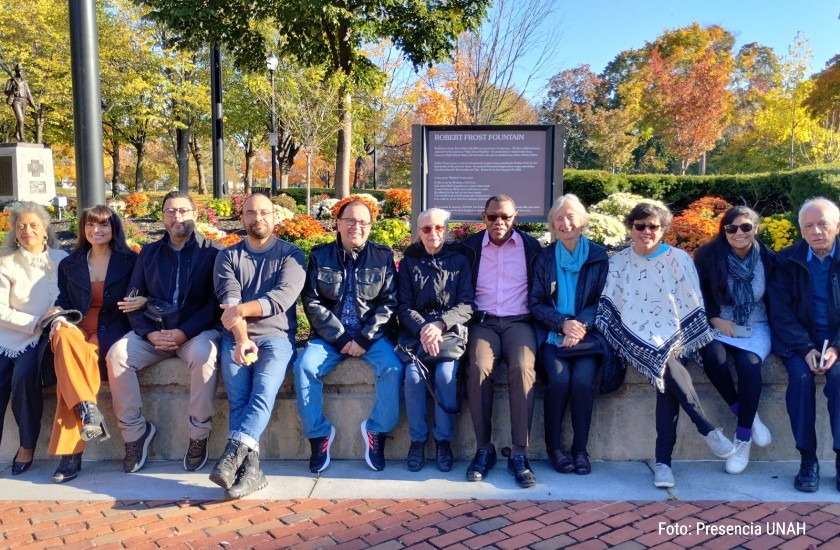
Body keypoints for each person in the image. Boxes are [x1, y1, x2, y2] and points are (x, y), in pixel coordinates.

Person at [596, 201, 735, 489]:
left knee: (668, 376)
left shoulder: (679, 259)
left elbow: (691, 301)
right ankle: (705, 428)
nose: (646, 231)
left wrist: (673, 336)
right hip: (635, 337)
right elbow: (611, 306)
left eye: (653, 226)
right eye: (640, 226)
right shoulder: (617, 263)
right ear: (631, 228)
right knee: (668, 371)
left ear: (663, 229)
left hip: (678, 334)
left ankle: (663, 464)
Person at [106, 191, 222, 474]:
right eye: (170, 211)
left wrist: (184, 331)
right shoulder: (149, 253)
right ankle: (135, 435)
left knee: (205, 356)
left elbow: (215, 305)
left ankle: (198, 436)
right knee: (117, 354)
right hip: (154, 334)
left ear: (195, 214)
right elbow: (133, 299)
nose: (177, 217)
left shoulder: (214, 252)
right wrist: (147, 334)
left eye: (183, 211)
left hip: (196, 333)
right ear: (162, 216)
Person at [295, 200, 402, 473]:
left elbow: (389, 303)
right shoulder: (321, 255)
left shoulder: (382, 256)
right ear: (338, 223)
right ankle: (319, 435)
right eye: (351, 221)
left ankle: (376, 431)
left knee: (393, 367)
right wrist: (341, 338)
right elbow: (312, 301)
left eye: (364, 222)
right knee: (304, 367)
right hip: (331, 338)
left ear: (370, 226)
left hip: (372, 337)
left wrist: (365, 338)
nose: (357, 227)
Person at [210, 194, 306, 499]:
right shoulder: (228, 257)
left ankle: (232, 454)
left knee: (262, 393)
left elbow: (281, 299)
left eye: (264, 212)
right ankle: (252, 472)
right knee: (239, 401)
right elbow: (231, 303)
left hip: (277, 338)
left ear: (275, 218)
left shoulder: (292, 255)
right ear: (242, 219)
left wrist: (238, 311)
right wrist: (241, 338)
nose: (258, 218)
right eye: (251, 213)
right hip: (236, 338)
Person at [46, 205, 146, 483]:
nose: (96, 230)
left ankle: (71, 453)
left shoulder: (130, 260)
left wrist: (145, 301)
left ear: (114, 228)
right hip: (78, 329)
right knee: (63, 336)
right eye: (90, 225)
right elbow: (65, 304)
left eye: (103, 225)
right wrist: (59, 318)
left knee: (71, 375)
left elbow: (143, 294)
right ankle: (87, 409)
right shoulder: (70, 263)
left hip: (112, 331)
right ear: (83, 229)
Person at [458, 195, 543, 488]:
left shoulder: (531, 247)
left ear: (515, 217)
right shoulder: (469, 248)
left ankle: (520, 453)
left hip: (520, 322)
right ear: (483, 217)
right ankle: (484, 448)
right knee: (479, 367)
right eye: (493, 217)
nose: (499, 222)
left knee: (522, 368)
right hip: (484, 322)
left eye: (505, 217)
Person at [529, 195, 610, 476]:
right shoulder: (544, 258)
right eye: (559, 218)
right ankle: (554, 449)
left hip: (587, 338)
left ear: (582, 220)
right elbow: (536, 302)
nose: (566, 223)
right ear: (552, 224)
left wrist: (579, 325)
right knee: (559, 380)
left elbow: (603, 299)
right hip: (554, 335)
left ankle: (580, 450)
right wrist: (563, 323)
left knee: (582, 381)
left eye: (571, 216)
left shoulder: (599, 256)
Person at [694, 206, 775, 475]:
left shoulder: (770, 261)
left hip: (754, 325)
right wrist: (716, 319)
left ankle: (742, 438)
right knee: (712, 356)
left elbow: (780, 300)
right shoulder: (708, 257)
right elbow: (700, 296)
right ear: (724, 232)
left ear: (756, 229)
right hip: (720, 323)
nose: (739, 233)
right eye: (732, 228)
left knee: (749, 365)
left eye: (745, 227)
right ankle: (749, 418)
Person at [769, 197, 840, 493]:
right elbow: (780, 311)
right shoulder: (786, 260)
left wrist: (836, 347)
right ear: (801, 231)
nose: (816, 231)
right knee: (799, 380)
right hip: (799, 342)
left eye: (823, 224)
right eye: (809, 226)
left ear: (837, 226)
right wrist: (805, 347)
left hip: (837, 341)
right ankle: (807, 459)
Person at [397, 208, 474, 473]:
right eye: (426, 229)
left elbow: (467, 304)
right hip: (416, 334)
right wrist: (424, 328)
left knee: (445, 375)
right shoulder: (409, 262)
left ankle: (443, 441)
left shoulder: (459, 260)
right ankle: (417, 441)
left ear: (447, 230)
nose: (433, 234)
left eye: (439, 228)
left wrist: (440, 325)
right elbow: (404, 305)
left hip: (449, 331)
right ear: (418, 232)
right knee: (413, 377)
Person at [0, 202, 67, 475]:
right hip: (9, 334)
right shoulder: (5, 262)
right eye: (21, 227)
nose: (27, 231)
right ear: (15, 233)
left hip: (46, 336)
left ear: (45, 230)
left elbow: (69, 298)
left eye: (33, 225)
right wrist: (33, 322)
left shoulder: (62, 258)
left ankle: (27, 446)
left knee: (24, 377)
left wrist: (53, 320)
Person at [4, 63, 37, 142]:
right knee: (20, 119)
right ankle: (22, 137)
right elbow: (6, 92)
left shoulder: (25, 82)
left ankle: (17, 133)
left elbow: (29, 94)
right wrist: (13, 90)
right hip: (16, 101)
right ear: (16, 71)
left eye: (21, 71)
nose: (20, 72)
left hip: (24, 101)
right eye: (19, 71)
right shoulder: (11, 81)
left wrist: (33, 105)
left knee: (22, 120)